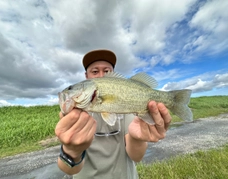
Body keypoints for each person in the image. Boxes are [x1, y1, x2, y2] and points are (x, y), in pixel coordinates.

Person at [55, 49, 172, 179]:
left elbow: (136, 157)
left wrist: (137, 139)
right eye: (95, 71)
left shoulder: (127, 110)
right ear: (86, 77)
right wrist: (71, 151)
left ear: (113, 74)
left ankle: (173, 99)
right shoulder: (73, 115)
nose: (101, 75)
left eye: (107, 71)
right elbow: (69, 170)